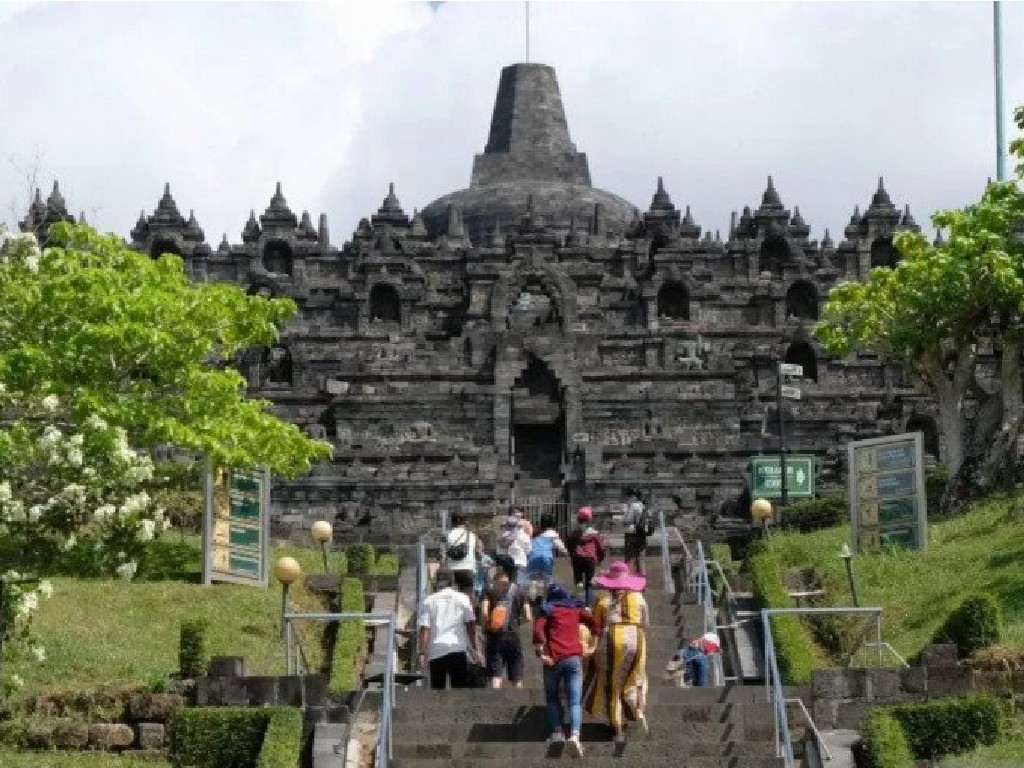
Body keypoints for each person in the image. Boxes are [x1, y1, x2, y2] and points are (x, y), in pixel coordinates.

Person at [583, 561, 650, 743]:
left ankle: (617, 727)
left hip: (610, 638)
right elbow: (645, 622)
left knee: (612, 685)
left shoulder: (603, 600)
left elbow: (596, 626)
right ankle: (637, 709)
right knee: (634, 677)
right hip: (636, 636)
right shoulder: (638, 598)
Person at [532, 582, 601, 757]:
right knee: (575, 701)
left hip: (553, 659)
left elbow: (538, 631)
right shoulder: (575, 609)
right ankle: (575, 736)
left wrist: (541, 653)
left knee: (553, 697)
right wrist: (593, 646)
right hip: (573, 659)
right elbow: (595, 625)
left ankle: (557, 733)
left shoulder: (548, 609)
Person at [417, 573, 484, 689]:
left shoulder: (429, 601)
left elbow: (425, 629)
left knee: (438, 689)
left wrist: (422, 652)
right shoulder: (463, 598)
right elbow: (471, 625)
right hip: (457, 648)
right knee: (459, 688)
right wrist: (476, 649)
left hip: (436, 650)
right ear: (452, 583)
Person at [480, 555, 531, 689]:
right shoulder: (519, 590)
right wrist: (515, 622)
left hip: (494, 635)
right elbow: (528, 616)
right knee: (516, 675)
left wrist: (487, 627)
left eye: (495, 565)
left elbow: (485, 613)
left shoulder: (489, 589)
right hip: (513, 635)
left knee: (496, 675)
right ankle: (519, 700)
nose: (493, 568)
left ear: (501, 568)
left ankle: (495, 704)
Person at [565, 506, 606, 608]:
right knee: (589, 583)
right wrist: (600, 559)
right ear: (590, 519)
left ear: (578, 518)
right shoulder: (594, 534)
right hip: (590, 559)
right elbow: (601, 548)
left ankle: (576, 603)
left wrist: (572, 555)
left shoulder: (574, 533)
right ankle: (588, 606)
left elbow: (568, 544)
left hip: (577, 558)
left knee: (578, 582)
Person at [525, 514, 569, 600]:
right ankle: (545, 600)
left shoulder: (535, 533)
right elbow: (560, 547)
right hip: (546, 558)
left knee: (533, 580)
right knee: (546, 581)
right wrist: (566, 553)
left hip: (533, 558)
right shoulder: (552, 533)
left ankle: (532, 600)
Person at [441, 512, 483, 595]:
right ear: (465, 522)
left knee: (452, 596)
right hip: (468, 568)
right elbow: (479, 552)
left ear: (452, 522)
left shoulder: (446, 535)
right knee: (468, 596)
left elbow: (442, 554)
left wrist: (441, 568)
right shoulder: (472, 535)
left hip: (452, 569)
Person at [621, 492, 652, 577]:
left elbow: (627, 520)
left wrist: (623, 519)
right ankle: (642, 581)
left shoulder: (634, 506)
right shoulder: (646, 507)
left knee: (629, 558)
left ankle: (628, 580)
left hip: (632, 534)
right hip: (642, 534)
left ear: (634, 496)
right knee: (641, 559)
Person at [495, 514, 533, 584]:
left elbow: (500, 553)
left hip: (507, 566)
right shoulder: (524, 536)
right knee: (520, 587)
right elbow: (528, 551)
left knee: (509, 587)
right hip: (521, 563)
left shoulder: (502, 537)